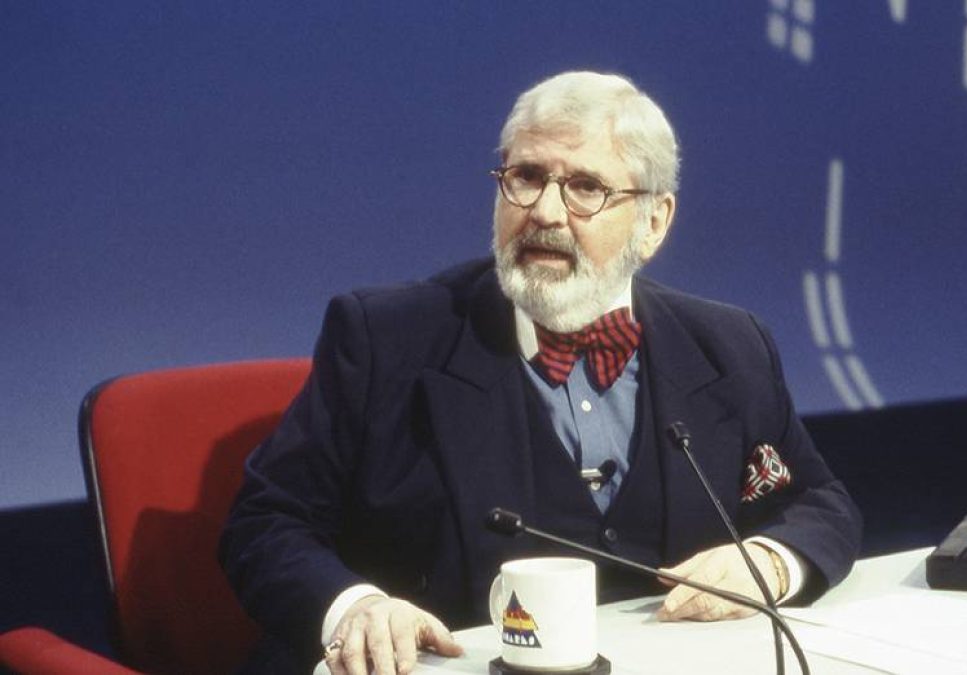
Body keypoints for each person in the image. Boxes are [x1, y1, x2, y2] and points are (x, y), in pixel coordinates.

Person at [220, 70, 861, 675]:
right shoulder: (387, 338)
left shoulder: (729, 345)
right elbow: (266, 522)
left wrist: (773, 561)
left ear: (654, 222)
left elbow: (819, 502)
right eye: (526, 177)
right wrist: (355, 607)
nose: (546, 212)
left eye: (586, 187)